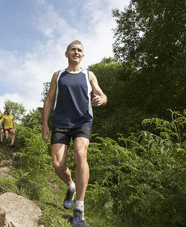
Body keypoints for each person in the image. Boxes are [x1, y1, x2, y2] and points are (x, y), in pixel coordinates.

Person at [42, 40, 107, 227]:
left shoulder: (89, 75)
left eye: (79, 50)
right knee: (57, 165)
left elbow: (102, 95)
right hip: (61, 123)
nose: (76, 52)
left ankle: (79, 207)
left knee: (80, 154)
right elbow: (49, 100)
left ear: (82, 55)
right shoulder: (58, 75)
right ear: (66, 54)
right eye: (73, 50)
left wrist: (100, 99)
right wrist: (44, 123)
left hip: (82, 122)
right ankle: (71, 186)